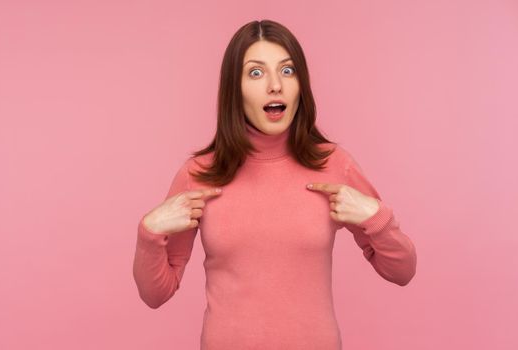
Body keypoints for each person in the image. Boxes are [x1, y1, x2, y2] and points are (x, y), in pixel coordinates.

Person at [133, 19, 417, 350]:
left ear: (300, 85)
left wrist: (377, 218)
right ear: (234, 89)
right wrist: (149, 233)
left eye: (287, 71)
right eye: (256, 73)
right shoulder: (199, 173)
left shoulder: (334, 164)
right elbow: (156, 294)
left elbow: (402, 272)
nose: (275, 86)